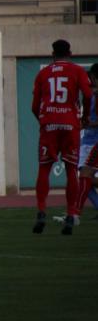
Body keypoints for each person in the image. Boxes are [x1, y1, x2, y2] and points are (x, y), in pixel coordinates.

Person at [31, 40, 92, 235]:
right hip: (69, 123)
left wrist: (44, 120)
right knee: (71, 169)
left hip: (49, 123)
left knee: (44, 168)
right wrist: (85, 117)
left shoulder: (43, 73)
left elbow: (34, 106)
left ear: (52, 54)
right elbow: (89, 94)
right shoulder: (77, 71)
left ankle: (41, 211)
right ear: (70, 53)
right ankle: (71, 215)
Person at [73, 64, 98, 219]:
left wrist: (87, 124)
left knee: (85, 177)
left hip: (95, 141)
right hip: (87, 141)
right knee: (83, 179)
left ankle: (76, 213)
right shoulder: (91, 94)